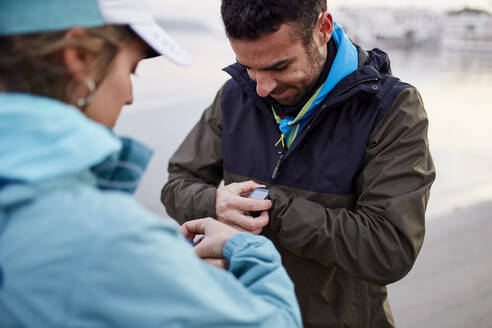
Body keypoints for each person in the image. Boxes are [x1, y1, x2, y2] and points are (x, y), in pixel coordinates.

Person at [0, 1, 303, 327]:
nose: (129, 95)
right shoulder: (105, 237)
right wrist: (242, 246)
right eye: (130, 69)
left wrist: (167, 267)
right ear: (80, 59)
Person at [161, 0, 436, 327]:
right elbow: (176, 184)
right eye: (247, 65)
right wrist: (213, 202)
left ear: (323, 29)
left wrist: (270, 208)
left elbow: (387, 250)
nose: (261, 88)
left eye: (279, 67)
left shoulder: (393, 109)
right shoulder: (235, 94)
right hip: (244, 315)